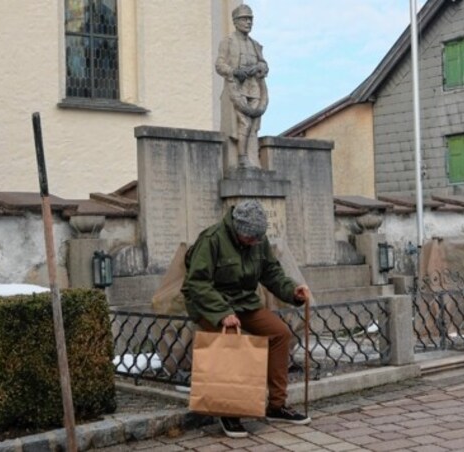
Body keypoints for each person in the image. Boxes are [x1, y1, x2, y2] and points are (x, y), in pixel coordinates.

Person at [181, 200, 311, 438]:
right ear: (237, 230)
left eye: (258, 239)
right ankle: (229, 410)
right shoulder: (211, 239)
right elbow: (197, 283)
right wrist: (222, 314)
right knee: (231, 338)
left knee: (280, 333)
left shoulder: (258, 241)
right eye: (251, 239)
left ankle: (276, 406)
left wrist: (292, 291)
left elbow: (271, 272)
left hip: (243, 302)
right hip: (210, 304)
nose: (256, 243)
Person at [215, 4, 269, 169]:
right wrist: (234, 72)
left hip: (255, 90)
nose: (248, 22)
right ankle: (242, 158)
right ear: (236, 21)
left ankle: (253, 159)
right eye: (245, 19)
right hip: (236, 89)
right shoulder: (228, 42)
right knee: (244, 123)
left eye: (250, 19)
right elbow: (219, 64)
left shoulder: (255, 44)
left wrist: (259, 68)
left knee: (253, 126)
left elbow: (264, 65)